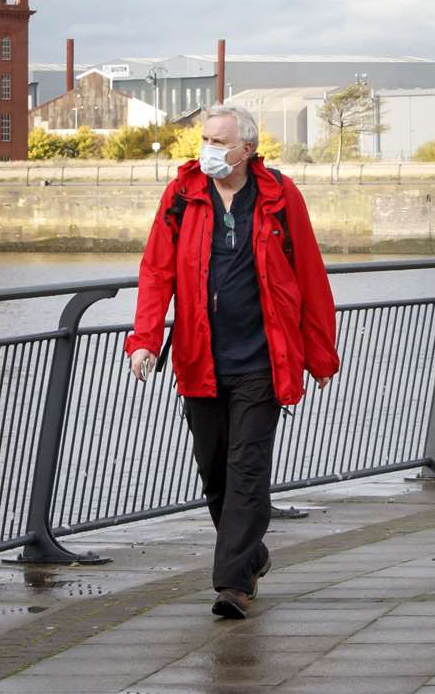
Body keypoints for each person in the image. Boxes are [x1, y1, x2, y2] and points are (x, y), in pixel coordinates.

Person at [127, 104, 339, 619]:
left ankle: (232, 585)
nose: (209, 150)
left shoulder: (279, 197)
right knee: (215, 473)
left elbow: (309, 274)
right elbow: (156, 272)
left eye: (220, 142)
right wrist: (145, 340)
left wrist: (320, 353)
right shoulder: (181, 196)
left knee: (247, 469)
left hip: (263, 361)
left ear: (247, 149)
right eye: (205, 139)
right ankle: (253, 555)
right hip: (200, 360)